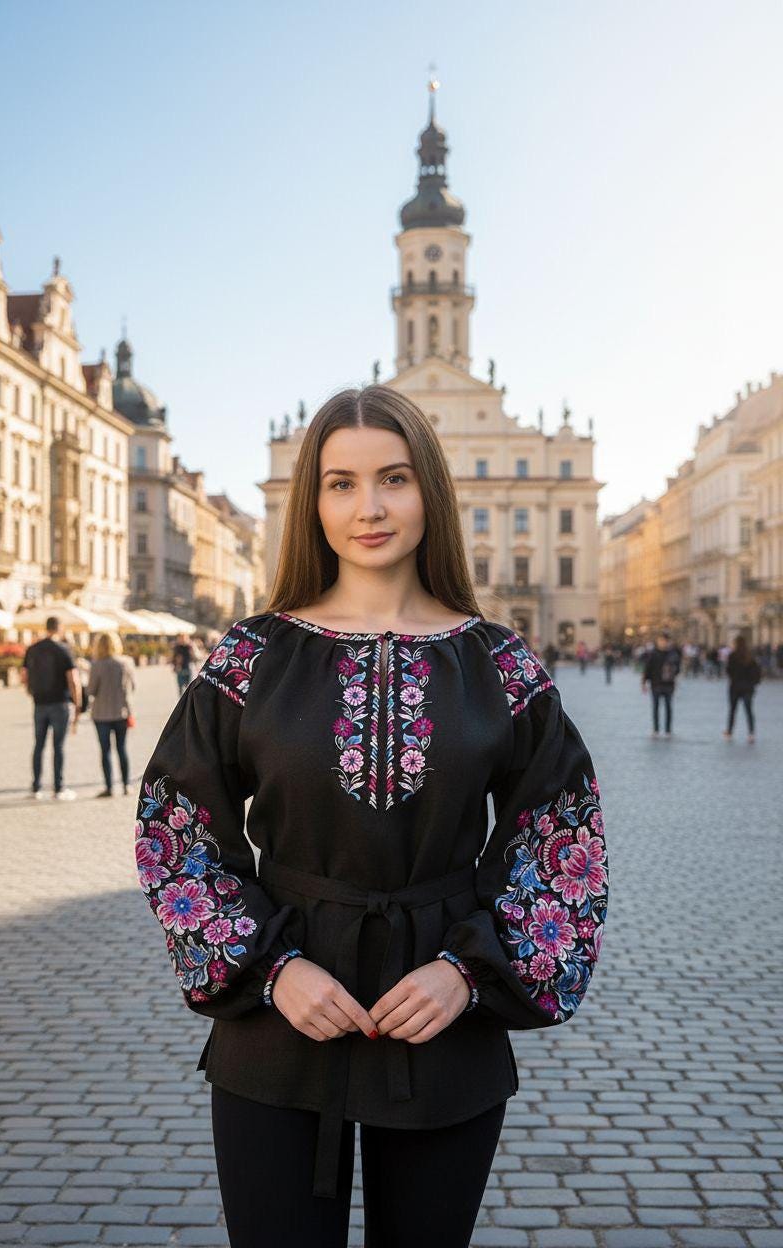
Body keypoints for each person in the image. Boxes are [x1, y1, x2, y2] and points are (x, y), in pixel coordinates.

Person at [134, 385, 609, 1248]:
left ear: (430, 487)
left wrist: (470, 974)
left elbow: (561, 836)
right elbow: (177, 829)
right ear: (311, 503)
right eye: (341, 483)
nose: (371, 507)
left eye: (393, 478)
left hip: (440, 1022)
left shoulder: (498, 661)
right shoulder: (252, 654)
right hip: (278, 1022)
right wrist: (271, 969)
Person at [20, 615, 81, 800]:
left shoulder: (32, 649)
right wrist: (77, 705)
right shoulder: (63, 649)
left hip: (39, 703)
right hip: (60, 703)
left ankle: (36, 787)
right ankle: (58, 788)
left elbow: (24, 676)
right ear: (60, 628)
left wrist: (32, 692)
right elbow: (73, 680)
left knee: (38, 745)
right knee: (58, 746)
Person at [87, 630, 137, 796]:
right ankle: (126, 785)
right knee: (122, 749)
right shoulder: (126, 662)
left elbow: (91, 691)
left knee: (105, 750)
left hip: (101, 714)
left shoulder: (96, 665)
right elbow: (133, 686)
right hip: (122, 711)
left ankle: (109, 787)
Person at [641, 630, 682, 738]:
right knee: (656, 707)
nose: (663, 643)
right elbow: (647, 669)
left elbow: (678, 669)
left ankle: (668, 730)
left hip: (668, 685)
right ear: (658, 641)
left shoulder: (673, 654)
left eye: (665, 641)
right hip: (656, 684)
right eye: (661, 641)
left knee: (669, 707)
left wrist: (674, 676)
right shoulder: (653, 654)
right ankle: (656, 729)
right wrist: (644, 683)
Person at [723, 634, 762, 743]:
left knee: (732, 710)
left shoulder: (732, 656)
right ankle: (751, 733)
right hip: (748, 687)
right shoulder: (751, 656)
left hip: (735, 686)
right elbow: (757, 672)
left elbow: (728, 670)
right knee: (749, 710)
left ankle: (729, 732)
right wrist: (753, 683)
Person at [172, 633, 195, 697]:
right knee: (180, 686)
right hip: (180, 668)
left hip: (188, 667)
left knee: (188, 685)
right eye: (181, 638)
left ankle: (187, 699)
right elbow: (175, 658)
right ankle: (183, 700)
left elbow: (193, 657)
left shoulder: (189, 646)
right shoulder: (177, 647)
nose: (183, 639)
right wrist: (175, 665)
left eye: (184, 638)